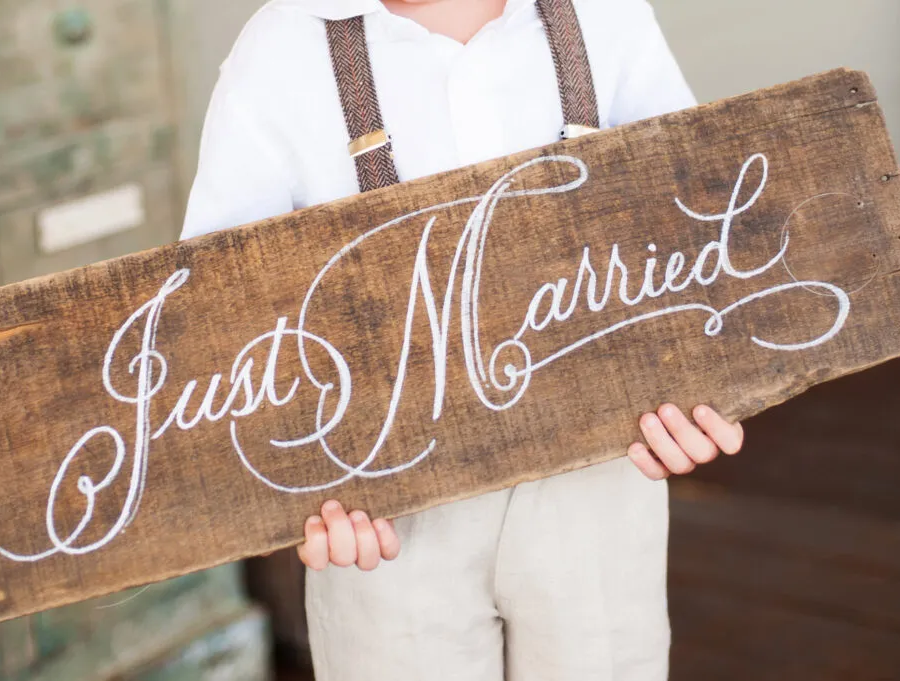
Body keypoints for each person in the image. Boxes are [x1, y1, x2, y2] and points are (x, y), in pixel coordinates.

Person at [180, 0, 745, 678]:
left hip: (601, 477)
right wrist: (298, 487)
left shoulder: (605, 14)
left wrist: (701, 385)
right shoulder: (281, 47)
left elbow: (692, 230)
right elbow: (224, 321)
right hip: (381, 509)